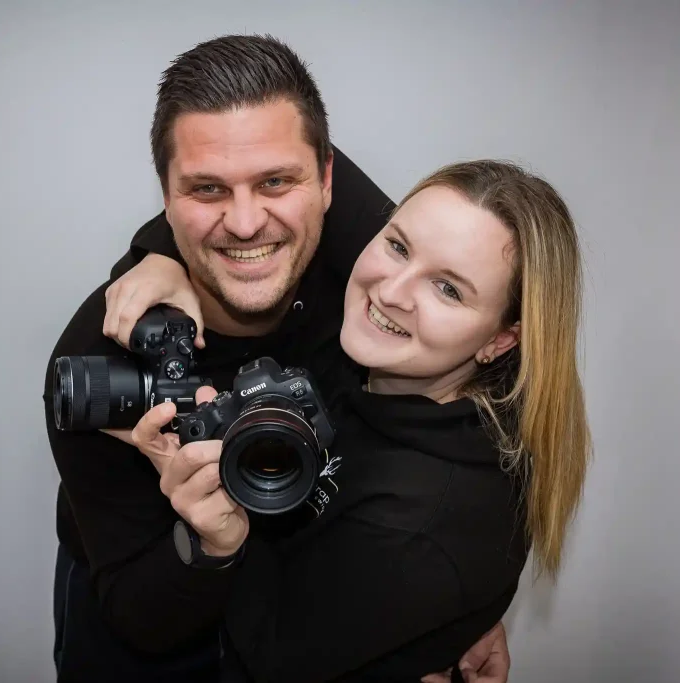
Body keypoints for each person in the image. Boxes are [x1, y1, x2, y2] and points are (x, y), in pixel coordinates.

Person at [43, 33, 510, 681]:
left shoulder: (374, 269)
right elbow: (137, 618)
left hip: (308, 598)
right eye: (206, 189)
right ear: (167, 196)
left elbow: (494, 343)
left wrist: (445, 597)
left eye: (275, 182)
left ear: (327, 181)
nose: (244, 221)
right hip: (159, 605)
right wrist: (203, 546)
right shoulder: (100, 359)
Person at [105, 158, 592, 681]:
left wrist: (221, 539)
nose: (390, 291)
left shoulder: (422, 526)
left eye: (448, 289)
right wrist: (160, 255)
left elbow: (269, 661)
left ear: (501, 339)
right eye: (398, 245)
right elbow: (260, 146)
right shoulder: (389, 371)